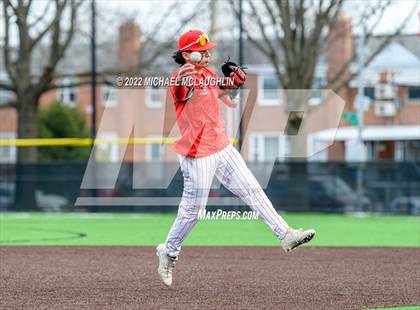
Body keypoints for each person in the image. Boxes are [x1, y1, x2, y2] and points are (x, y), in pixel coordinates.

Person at [156, 30, 315, 287]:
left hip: (221, 146)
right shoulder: (180, 78)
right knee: (194, 213)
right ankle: (169, 251)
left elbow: (223, 91)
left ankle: (285, 234)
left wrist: (235, 81)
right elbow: (180, 89)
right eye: (202, 51)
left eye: (208, 50)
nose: (208, 54)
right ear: (187, 54)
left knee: (253, 190)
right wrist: (184, 77)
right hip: (197, 154)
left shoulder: (206, 74)